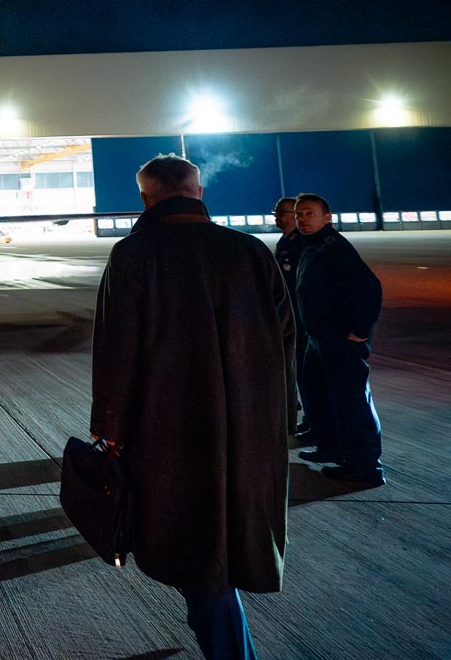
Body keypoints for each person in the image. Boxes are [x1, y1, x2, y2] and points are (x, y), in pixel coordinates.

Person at [91, 156, 292, 660]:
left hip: (169, 430)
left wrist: (110, 428)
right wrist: (278, 413)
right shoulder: (249, 251)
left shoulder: (134, 254)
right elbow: (286, 339)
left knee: (198, 554)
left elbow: (119, 349)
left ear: (146, 197)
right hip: (250, 426)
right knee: (229, 538)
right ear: (197, 192)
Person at [293, 192, 385, 487]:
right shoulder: (313, 246)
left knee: (352, 401)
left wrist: (358, 332)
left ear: (327, 217)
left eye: (309, 213)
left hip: (339, 340)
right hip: (318, 338)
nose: (303, 219)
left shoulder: (334, 248)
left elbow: (370, 289)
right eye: (299, 214)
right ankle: (333, 450)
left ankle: (365, 467)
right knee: (318, 397)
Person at [272, 197, 313, 442]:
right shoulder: (286, 241)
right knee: (298, 371)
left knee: (306, 373)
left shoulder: (301, 244)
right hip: (291, 318)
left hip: (302, 320)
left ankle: (316, 424)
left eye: (280, 212)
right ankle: (312, 422)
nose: (276, 216)